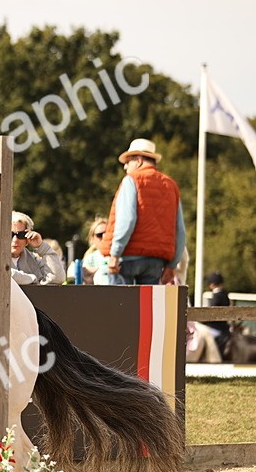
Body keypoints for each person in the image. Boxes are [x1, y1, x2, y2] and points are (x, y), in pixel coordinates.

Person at [100, 138, 186, 285]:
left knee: (120, 306)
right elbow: (180, 231)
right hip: (155, 262)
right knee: (146, 307)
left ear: (138, 161)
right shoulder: (171, 186)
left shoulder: (131, 180)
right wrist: (172, 266)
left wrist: (115, 253)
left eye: (128, 162)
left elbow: (127, 220)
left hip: (126, 259)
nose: (125, 167)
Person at [10, 212, 66, 286]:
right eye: (10, 234)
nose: (15, 240)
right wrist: (32, 279)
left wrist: (42, 247)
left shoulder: (34, 260)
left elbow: (57, 279)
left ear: (27, 238)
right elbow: (3, 273)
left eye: (21, 235)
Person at [204, 271, 232, 354]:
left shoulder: (216, 296)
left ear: (212, 284)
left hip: (216, 328)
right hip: (225, 327)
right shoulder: (225, 294)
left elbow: (211, 314)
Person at [80, 216, 110, 285]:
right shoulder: (90, 259)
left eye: (107, 233)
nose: (104, 237)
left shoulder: (118, 256)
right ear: (92, 239)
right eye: (99, 235)